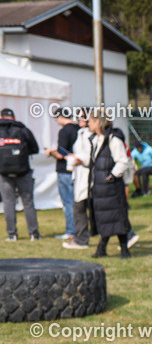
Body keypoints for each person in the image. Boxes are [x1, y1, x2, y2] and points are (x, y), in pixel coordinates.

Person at [81, 110, 133, 258]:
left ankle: (123, 249)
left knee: (117, 217)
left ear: (98, 122)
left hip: (111, 187)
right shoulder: (95, 139)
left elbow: (123, 161)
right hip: (99, 188)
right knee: (104, 218)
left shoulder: (113, 139)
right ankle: (102, 249)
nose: (88, 123)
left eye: (91, 120)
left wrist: (111, 176)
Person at [0, 108, 41, 241]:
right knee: (28, 202)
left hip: (4, 173)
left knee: (8, 202)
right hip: (24, 171)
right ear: (14, 116)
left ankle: (12, 234)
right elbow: (35, 148)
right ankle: (33, 234)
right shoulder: (23, 129)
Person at [42, 108, 79, 239]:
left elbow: (62, 153)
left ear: (61, 116)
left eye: (56, 118)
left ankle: (71, 231)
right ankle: (82, 229)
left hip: (65, 171)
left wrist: (51, 152)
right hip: (78, 169)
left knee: (68, 202)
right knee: (78, 201)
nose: (56, 121)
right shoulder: (79, 129)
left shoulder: (64, 131)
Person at [62, 110, 92, 250]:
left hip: (88, 176)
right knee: (79, 207)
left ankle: (81, 239)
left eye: (82, 116)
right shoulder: (80, 133)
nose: (79, 118)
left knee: (87, 208)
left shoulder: (89, 135)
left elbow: (91, 155)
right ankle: (81, 238)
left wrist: (79, 159)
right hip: (80, 175)